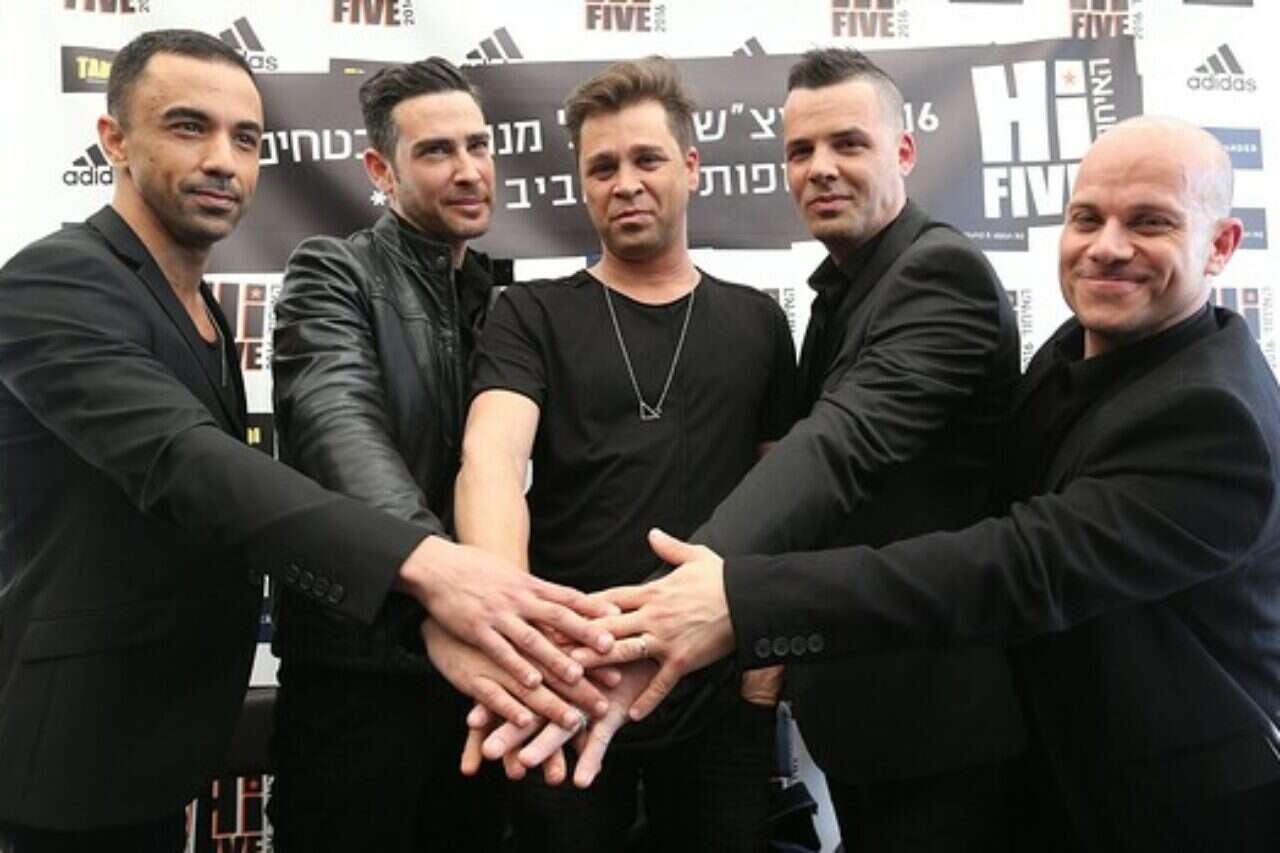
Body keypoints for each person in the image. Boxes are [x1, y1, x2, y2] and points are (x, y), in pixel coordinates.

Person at [588, 117, 1280, 852]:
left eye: (1149, 223)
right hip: (1052, 773)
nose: (1107, 246)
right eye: (1087, 218)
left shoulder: (1215, 418)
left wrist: (740, 599)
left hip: (1175, 807)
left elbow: (1016, 566)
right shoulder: (1078, 346)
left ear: (1221, 245)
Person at [0, 31, 611, 852]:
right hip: (92, 737)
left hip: (194, 720)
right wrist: (433, 574)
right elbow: (206, 457)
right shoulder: (56, 278)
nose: (222, 160)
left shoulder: (204, 306)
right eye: (188, 127)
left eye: (246, 138)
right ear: (114, 140)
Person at [454, 57, 797, 852]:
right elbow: (491, 459)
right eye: (602, 167)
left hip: (718, 691)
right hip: (566, 683)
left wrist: (761, 683)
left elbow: (789, 495)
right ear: (581, 185)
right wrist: (519, 641)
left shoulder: (757, 321)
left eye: (647, 159)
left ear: (691, 167)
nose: (626, 183)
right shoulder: (529, 312)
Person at [267, 57, 553, 852]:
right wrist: (446, 590)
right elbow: (340, 432)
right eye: (436, 151)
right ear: (379, 170)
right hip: (358, 676)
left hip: (476, 677)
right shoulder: (334, 273)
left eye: (478, 146)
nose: (467, 170)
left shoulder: (503, 302)